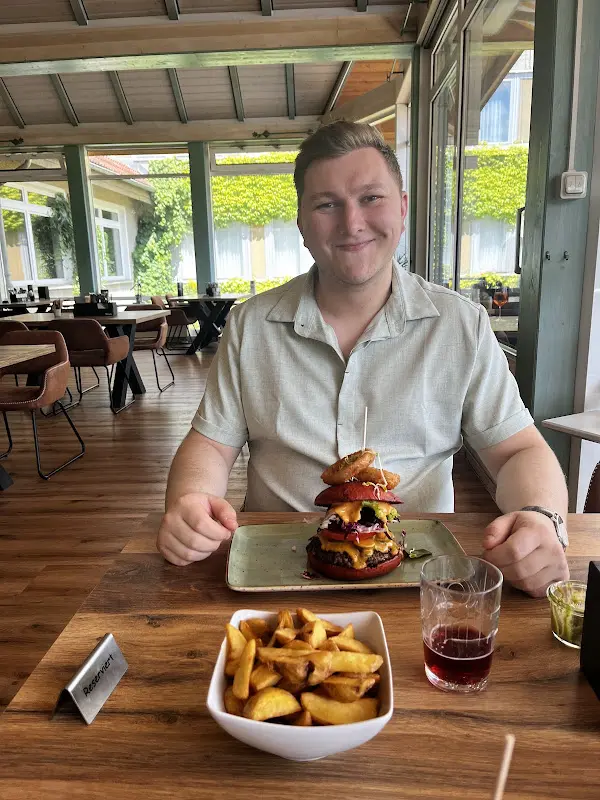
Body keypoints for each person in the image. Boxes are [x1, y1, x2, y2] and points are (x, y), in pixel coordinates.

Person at [158, 121, 569, 597]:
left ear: (403, 207)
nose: (351, 223)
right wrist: (189, 502)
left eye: (371, 198)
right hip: (274, 572)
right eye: (327, 203)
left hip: (422, 587)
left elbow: (518, 450)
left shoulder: (463, 325)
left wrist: (541, 519)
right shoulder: (250, 325)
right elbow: (210, 444)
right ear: (302, 224)